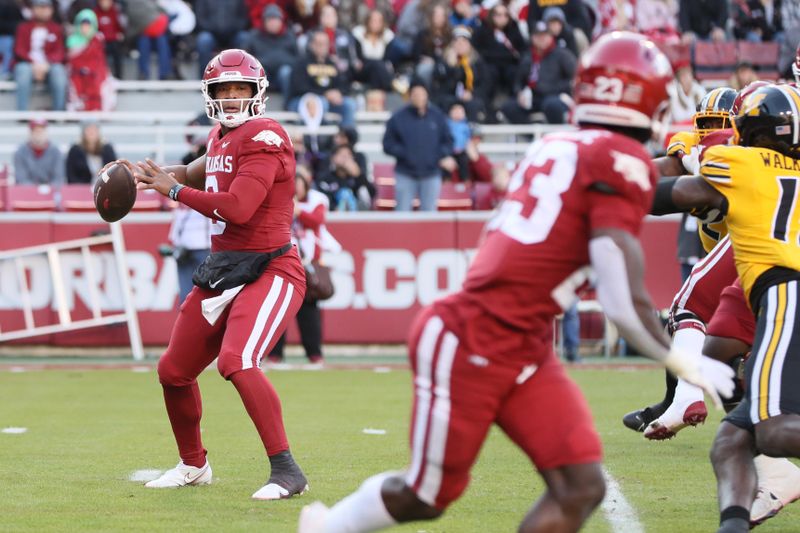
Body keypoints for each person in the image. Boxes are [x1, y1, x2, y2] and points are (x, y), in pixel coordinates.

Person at [298, 32, 735, 533]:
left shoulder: (555, 143)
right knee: (428, 493)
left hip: (523, 341)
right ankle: (328, 527)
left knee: (581, 484)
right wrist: (682, 360)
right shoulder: (619, 161)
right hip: (473, 335)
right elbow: (618, 295)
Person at [117, 49, 308, 500]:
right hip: (225, 268)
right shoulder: (220, 137)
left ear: (257, 93)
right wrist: (150, 175)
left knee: (236, 361)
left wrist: (176, 191)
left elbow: (239, 207)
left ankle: (287, 471)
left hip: (271, 266)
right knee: (173, 371)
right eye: (224, 90)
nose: (232, 97)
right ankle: (193, 464)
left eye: (241, 89)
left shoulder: (265, 136)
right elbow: (198, 173)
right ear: (210, 95)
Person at [649, 83, 800, 533]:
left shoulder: (739, 162)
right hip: (776, 291)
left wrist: (606, 192)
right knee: (730, 441)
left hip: (785, 291)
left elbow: (673, 195)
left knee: (772, 431)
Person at [268, 174, 331, 365]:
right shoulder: (277, 199)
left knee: (309, 312)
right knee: (278, 309)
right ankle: (275, 355)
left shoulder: (317, 199)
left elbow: (317, 220)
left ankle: (314, 354)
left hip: (308, 264)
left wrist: (298, 211)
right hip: (282, 262)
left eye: (299, 184)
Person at [383, 80, 455, 211]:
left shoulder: (437, 116)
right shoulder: (398, 117)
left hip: (431, 173)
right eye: (415, 94)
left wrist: (437, 155)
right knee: (402, 215)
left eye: (422, 93)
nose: (419, 97)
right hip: (405, 173)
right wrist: (405, 153)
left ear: (427, 95)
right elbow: (388, 144)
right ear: (410, 96)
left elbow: (449, 141)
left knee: (429, 215)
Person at [500, 21, 576, 125]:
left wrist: (554, 88)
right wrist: (520, 93)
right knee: (509, 107)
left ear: (551, 37)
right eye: (538, 36)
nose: (542, 39)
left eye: (545, 35)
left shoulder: (562, 55)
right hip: (534, 97)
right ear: (532, 38)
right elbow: (519, 81)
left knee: (551, 105)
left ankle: (554, 136)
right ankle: (532, 136)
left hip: (556, 96)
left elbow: (574, 78)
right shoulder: (528, 57)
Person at [288, 30, 357, 128]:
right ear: (311, 45)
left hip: (329, 101)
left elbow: (344, 84)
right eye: (318, 43)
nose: (322, 46)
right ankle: (321, 139)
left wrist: (338, 93)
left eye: (325, 44)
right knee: (320, 102)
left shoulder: (332, 63)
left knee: (349, 104)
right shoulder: (301, 62)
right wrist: (324, 94)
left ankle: (346, 138)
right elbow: (299, 87)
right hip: (303, 101)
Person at [13, 0, 67, 111]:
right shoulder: (23, 27)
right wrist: (33, 63)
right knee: (23, 72)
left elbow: (60, 51)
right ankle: (22, 113)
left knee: (59, 72)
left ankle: (58, 114)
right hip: (28, 64)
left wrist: (46, 64)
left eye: (46, 8)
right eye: (40, 7)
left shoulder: (56, 29)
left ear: (51, 10)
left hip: (49, 65)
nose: (43, 11)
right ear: (33, 9)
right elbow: (19, 50)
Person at [247, 4, 298, 104]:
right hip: (264, 72)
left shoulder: (290, 36)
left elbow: (297, 59)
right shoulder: (254, 36)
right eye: (270, 19)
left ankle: (288, 105)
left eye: (276, 19)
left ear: (281, 21)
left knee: (286, 72)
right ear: (264, 21)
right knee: (257, 72)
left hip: (282, 74)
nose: (273, 23)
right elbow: (248, 59)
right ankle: (255, 106)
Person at [67, 9, 115, 111]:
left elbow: (99, 59)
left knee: (102, 82)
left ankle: (97, 108)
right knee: (74, 83)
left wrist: (91, 69)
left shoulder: (97, 39)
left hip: (95, 72)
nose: (85, 28)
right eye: (82, 24)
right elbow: (73, 60)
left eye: (88, 24)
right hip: (77, 73)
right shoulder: (72, 41)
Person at [194, 0, 250, 79]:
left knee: (244, 38)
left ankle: (243, 76)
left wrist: (231, 29)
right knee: (203, 40)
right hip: (212, 34)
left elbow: (244, 18)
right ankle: (205, 78)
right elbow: (200, 19)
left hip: (233, 34)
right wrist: (216, 29)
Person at [14, 119, 64, 186]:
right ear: (30, 133)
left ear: (46, 132)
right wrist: (36, 191)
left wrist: (46, 190)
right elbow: (21, 179)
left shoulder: (56, 152)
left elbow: (58, 178)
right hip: (27, 193)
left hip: (50, 193)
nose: (39, 134)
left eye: (41, 131)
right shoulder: (20, 152)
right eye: (36, 131)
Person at [93, 0, 124, 79]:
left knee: (117, 51)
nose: (105, 3)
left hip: (113, 41)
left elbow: (120, 28)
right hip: (100, 41)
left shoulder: (115, 12)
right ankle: (102, 77)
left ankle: (118, 77)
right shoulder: (95, 12)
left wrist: (119, 34)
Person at [0, 0, 23, 81]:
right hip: (6, 35)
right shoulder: (6, 4)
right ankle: (5, 73)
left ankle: (6, 72)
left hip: (12, 35)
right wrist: (18, 27)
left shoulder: (18, 5)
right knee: (8, 45)